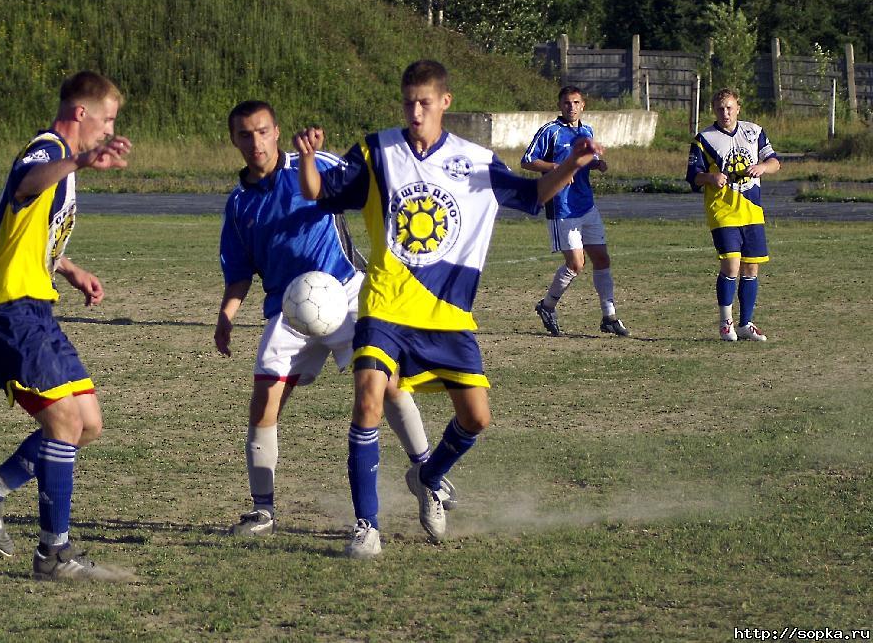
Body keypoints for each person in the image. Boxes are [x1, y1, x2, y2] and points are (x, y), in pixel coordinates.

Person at [294, 60, 601, 558]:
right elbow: (319, 193)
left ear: (444, 103)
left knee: (477, 419)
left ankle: (429, 477)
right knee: (369, 399)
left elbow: (534, 193)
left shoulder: (475, 159)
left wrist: (572, 165)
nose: (415, 112)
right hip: (386, 303)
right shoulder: (377, 151)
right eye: (408, 102)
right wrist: (309, 158)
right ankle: (366, 527)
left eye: (425, 102)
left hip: (448, 314)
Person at [216, 100, 455, 538]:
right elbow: (238, 273)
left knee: (389, 385)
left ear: (276, 131)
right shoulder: (239, 204)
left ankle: (427, 475)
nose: (256, 142)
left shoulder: (315, 165)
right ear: (234, 140)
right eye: (245, 135)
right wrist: (227, 315)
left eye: (263, 131)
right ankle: (263, 510)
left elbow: (374, 183)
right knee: (263, 402)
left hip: (344, 294)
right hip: (289, 310)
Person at [0, 70, 133, 581]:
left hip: (36, 310)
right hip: (7, 312)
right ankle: (53, 555)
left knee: (89, 423)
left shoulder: (64, 164)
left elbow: (29, 231)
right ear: (82, 113)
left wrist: (70, 267)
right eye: (108, 120)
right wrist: (78, 158)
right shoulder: (47, 150)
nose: (108, 130)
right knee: (63, 425)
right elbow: (24, 183)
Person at [521, 86, 629, 338]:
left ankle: (609, 316)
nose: (572, 107)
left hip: (586, 204)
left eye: (576, 102)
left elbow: (585, 160)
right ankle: (547, 306)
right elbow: (527, 160)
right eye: (567, 103)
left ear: (583, 105)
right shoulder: (550, 131)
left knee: (601, 258)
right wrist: (555, 167)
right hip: (561, 207)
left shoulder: (586, 131)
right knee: (576, 264)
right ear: (560, 105)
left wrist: (597, 163)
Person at [686, 88, 780, 341]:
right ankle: (725, 322)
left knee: (751, 269)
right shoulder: (704, 138)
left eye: (729, 107)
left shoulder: (754, 132)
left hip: (752, 211)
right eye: (720, 109)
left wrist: (762, 167)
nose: (725, 113)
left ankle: (745, 324)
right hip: (723, 211)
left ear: (738, 107)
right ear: (713, 110)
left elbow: (774, 162)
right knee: (731, 264)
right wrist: (710, 177)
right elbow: (692, 176)